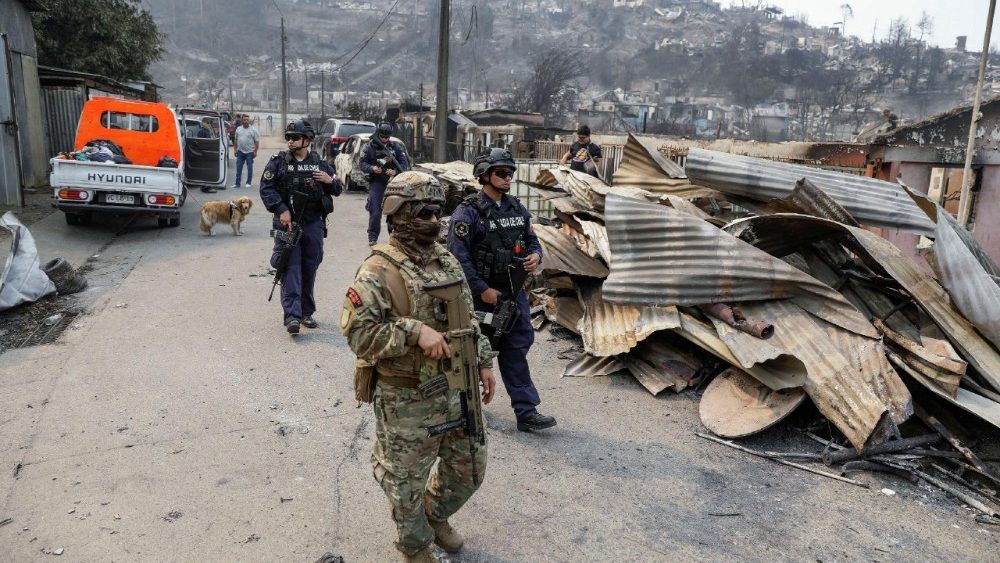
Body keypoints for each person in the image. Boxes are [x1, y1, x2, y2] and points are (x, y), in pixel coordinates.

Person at [340, 171, 496, 563]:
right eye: (423, 213)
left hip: (456, 389)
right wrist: (413, 331)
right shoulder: (378, 270)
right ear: (399, 214)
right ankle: (414, 546)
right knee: (405, 482)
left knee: (469, 468)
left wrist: (483, 360)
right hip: (406, 397)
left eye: (437, 212)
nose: (433, 220)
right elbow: (360, 336)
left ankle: (435, 514)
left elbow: (468, 318)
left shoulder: (446, 259)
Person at [447, 148, 556, 433]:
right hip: (480, 298)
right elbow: (458, 258)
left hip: (512, 292)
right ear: (484, 175)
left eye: (511, 173)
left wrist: (535, 256)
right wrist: (481, 289)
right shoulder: (468, 212)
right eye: (501, 173)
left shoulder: (516, 208)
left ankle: (526, 411)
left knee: (517, 345)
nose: (508, 178)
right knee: (472, 350)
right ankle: (465, 408)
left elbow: (532, 240)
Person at [260, 119, 342, 334]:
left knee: (309, 267)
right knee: (291, 267)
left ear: (307, 140)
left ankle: (306, 312)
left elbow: (337, 188)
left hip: (313, 223)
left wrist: (329, 180)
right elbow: (266, 188)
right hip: (287, 224)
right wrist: (281, 209)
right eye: (288, 137)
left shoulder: (319, 163)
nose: (290, 141)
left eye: (295, 137)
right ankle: (292, 316)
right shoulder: (278, 162)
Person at [360, 122, 410, 246]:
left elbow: (404, 164)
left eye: (386, 137)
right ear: (378, 134)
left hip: (393, 183)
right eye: (382, 136)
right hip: (377, 181)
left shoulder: (395, 147)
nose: (384, 139)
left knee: (393, 211)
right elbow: (362, 163)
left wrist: (395, 171)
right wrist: (372, 168)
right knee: (375, 212)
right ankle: (373, 237)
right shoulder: (369, 147)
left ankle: (394, 236)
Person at [234, 114, 261, 189]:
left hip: (250, 152)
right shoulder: (238, 129)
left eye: (247, 120)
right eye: (244, 120)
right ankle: (237, 183)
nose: (246, 121)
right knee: (238, 168)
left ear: (249, 121)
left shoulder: (253, 130)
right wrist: (235, 150)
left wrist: (255, 152)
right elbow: (235, 140)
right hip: (240, 152)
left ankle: (248, 182)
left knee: (249, 168)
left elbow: (257, 142)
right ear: (242, 120)